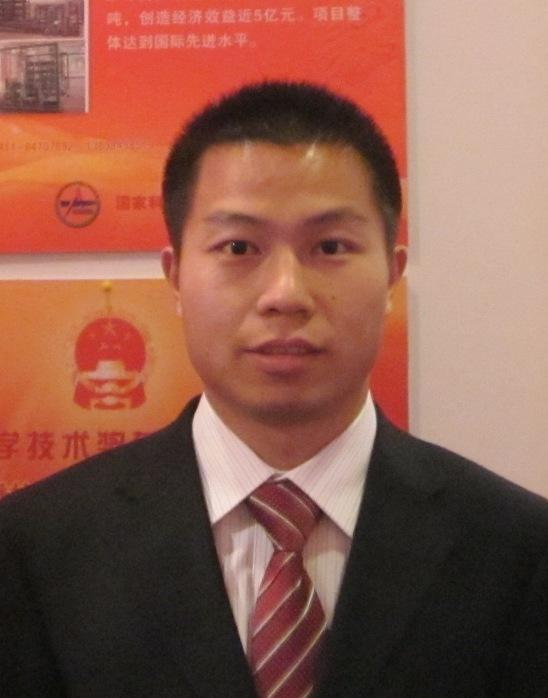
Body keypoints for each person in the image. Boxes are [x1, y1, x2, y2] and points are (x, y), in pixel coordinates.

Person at [1, 81, 547, 698]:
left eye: (331, 247)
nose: (285, 294)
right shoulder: (35, 549)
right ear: (175, 277)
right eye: (239, 247)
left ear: (392, 275)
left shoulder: (518, 551)